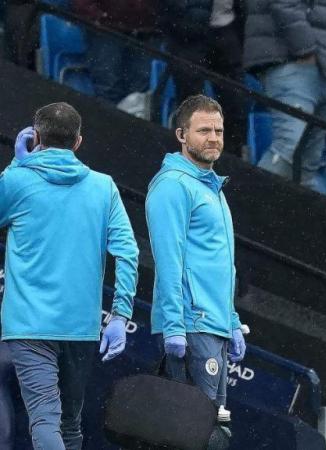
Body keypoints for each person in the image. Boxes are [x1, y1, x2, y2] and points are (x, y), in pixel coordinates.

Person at [0, 102, 139, 449]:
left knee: (46, 420)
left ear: (36, 137)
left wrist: (17, 164)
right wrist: (121, 314)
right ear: (78, 141)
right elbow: (128, 252)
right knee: (69, 424)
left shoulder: (16, 181)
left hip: (29, 324)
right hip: (80, 327)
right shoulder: (104, 187)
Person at [146, 95, 246, 425]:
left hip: (213, 324)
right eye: (203, 130)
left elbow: (220, 266)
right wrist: (174, 325)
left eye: (218, 130)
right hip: (190, 324)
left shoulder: (212, 188)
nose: (214, 138)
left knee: (212, 431)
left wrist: (230, 320)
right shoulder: (173, 186)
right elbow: (169, 260)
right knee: (192, 431)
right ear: (181, 135)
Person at [243, 0, 326, 193]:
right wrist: (306, 49)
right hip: (296, 62)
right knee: (287, 150)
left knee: (307, 165)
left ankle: (294, 222)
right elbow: (283, 4)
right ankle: (238, 216)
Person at [158, 0, 247, 155]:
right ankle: (189, 158)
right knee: (191, 102)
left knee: (235, 102)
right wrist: (184, 22)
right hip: (189, 34)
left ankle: (230, 161)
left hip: (227, 32)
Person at [72, 0, 158, 104]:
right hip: (106, 29)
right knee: (108, 87)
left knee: (140, 93)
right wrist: (99, 17)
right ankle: (105, 118)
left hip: (145, 31)